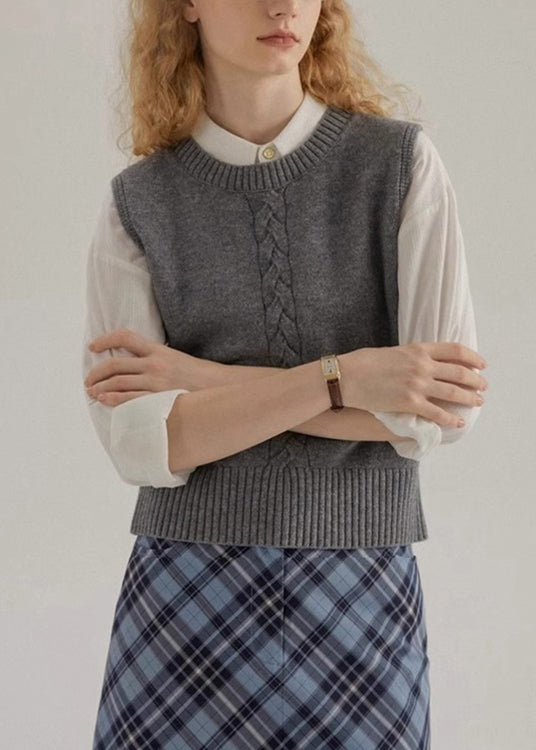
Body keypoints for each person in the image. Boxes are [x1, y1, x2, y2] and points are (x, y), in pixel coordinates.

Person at [82, 1, 488, 747]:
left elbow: (430, 415)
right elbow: (144, 444)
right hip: (184, 598)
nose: (283, 6)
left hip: (359, 590)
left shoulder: (399, 166)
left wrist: (198, 379)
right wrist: (346, 379)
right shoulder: (138, 202)